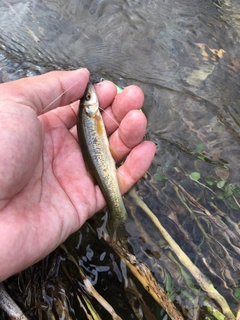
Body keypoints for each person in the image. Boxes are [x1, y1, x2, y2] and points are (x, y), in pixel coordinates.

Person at [0, 68, 156, 281]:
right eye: (90, 97)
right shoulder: (91, 113)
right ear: (90, 106)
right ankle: (117, 214)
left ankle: (116, 218)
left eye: (89, 97)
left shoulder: (90, 114)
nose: (91, 95)